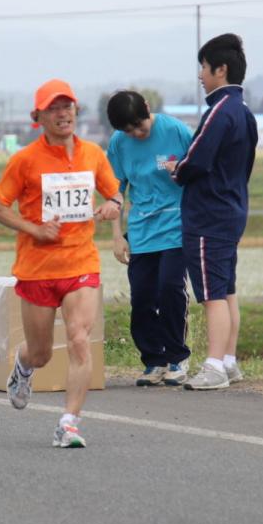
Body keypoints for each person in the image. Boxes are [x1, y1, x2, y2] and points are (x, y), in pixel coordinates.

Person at [0, 78, 122, 448]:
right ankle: (23, 366)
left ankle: (69, 424)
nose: (63, 114)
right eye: (54, 108)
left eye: (68, 106)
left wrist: (113, 206)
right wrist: (34, 229)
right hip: (37, 269)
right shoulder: (24, 160)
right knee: (42, 353)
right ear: (38, 117)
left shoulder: (92, 154)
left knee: (79, 338)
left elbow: (115, 194)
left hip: (81, 262)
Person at [171, 34, 257, 391]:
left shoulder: (218, 111)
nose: (200, 76)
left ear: (220, 70)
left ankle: (214, 366)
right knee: (225, 289)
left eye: (204, 68)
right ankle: (229, 361)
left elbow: (195, 160)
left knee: (211, 295)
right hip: (232, 209)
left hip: (208, 215)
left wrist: (176, 170)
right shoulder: (244, 112)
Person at [105, 90, 194, 386]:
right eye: (128, 130)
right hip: (141, 230)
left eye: (139, 126)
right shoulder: (118, 143)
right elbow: (115, 191)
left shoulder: (177, 131)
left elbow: (200, 171)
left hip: (176, 225)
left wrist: (182, 173)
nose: (136, 133)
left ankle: (177, 356)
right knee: (142, 297)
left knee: (170, 289)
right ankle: (154, 360)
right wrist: (117, 237)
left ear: (147, 108)